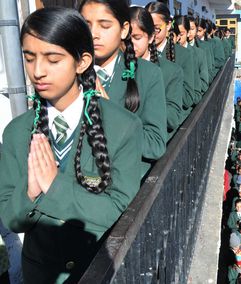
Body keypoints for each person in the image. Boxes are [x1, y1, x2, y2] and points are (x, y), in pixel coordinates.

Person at [0, 7, 143, 283]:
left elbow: (120, 213)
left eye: (53, 60)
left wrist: (54, 187)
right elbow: (11, 217)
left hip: (98, 272)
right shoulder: (17, 132)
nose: (37, 71)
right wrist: (29, 193)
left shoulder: (122, 126)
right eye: (29, 59)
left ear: (82, 62)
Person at [79, 0, 167, 174]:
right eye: (85, 24)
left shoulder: (148, 74)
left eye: (104, 26)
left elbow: (155, 144)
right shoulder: (68, 71)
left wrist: (111, 117)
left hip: (122, 184)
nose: (93, 34)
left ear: (124, 29)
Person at [129, 6, 184, 139]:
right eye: (126, 38)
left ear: (150, 37)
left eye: (137, 37)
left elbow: (173, 118)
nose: (131, 44)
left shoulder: (171, 71)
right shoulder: (119, 68)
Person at [145, 2, 195, 113]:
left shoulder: (184, 55)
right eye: (147, 28)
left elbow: (188, 98)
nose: (152, 33)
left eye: (157, 28)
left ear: (168, 25)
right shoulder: (139, 53)